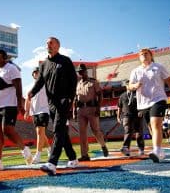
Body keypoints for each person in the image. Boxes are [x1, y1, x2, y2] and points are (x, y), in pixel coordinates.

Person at [27, 37, 78, 175]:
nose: (48, 45)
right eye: (47, 43)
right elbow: (40, 82)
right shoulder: (43, 65)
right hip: (52, 103)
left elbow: (74, 81)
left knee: (57, 129)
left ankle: (52, 162)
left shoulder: (65, 61)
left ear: (58, 46)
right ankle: (73, 158)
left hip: (64, 100)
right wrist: (32, 92)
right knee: (61, 131)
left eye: (51, 43)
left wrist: (70, 98)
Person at [0, 49, 32, 172]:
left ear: (4, 57)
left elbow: (18, 87)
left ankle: (25, 150)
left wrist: (20, 105)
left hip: (9, 104)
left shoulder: (12, 69)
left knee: (7, 130)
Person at [129, 48, 170, 163]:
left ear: (151, 55)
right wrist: (135, 85)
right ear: (139, 57)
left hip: (158, 99)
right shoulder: (135, 71)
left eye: (146, 53)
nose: (144, 55)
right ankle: (160, 151)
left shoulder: (158, 67)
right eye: (141, 54)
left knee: (155, 124)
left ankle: (156, 151)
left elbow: (169, 81)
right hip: (143, 103)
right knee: (152, 128)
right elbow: (129, 86)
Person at [73, 64, 109, 161]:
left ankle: (103, 145)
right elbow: (75, 99)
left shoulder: (93, 82)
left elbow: (100, 95)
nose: (81, 73)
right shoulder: (78, 84)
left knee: (95, 130)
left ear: (86, 71)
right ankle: (85, 155)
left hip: (92, 108)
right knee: (82, 133)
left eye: (82, 71)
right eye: (79, 72)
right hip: (80, 110)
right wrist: (74, 112)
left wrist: (98, 108)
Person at [24, 67, 51, 164]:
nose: (36, 73)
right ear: (32, 74)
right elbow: (27, 99)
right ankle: (49, 149)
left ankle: (38, 155)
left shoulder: (46, 84)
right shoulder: (29, 86)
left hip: (44, 110)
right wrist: (26, 111)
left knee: (40, 132)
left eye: (38, 72)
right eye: (34, 72)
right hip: (34, 112)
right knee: (41, 133)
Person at [117, 80, 145, 156]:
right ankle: (126, 148)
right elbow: (119, 107)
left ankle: (141, 148)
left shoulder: (138, 94)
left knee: (138, 132)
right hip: (127, 116)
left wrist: (141, 111)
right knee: (127, 131)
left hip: (137, 115)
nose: (129, 86)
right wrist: (118, 117)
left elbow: (143, 103)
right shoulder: (122, 95)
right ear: (126, 86)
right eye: (127, 85)